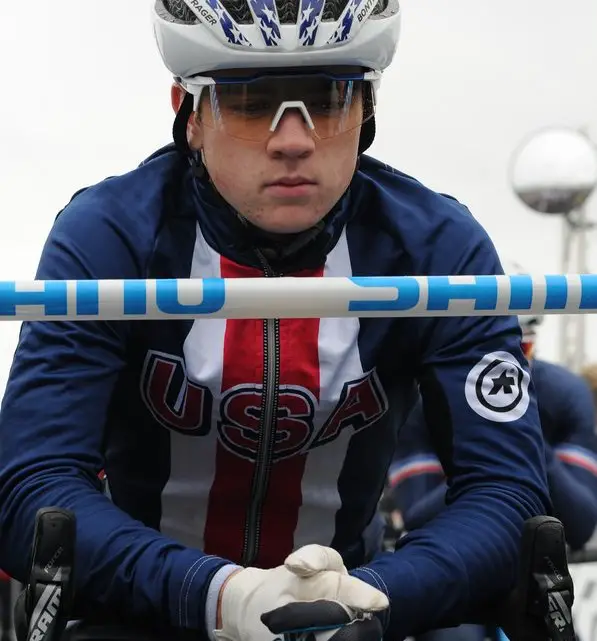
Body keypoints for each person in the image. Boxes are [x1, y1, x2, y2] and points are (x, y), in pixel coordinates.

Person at [0, 3, 550, 641]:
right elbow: (31, 489)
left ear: (368, 110)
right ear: (190, 113)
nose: (294, 139)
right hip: (145, 612)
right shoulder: (108, 235)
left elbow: (509, 495)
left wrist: (374, 597)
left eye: (328, 97)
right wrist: (216, 596)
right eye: (251, 101)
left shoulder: (439, 249)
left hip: (365, 606)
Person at [388, 261, 597, 641]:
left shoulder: (565, 394)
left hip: (534, 569)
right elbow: (416, 517)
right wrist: (504, 459)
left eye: (521, 345)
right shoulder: (424, 398)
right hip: (455, 560)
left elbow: (582, 523)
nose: (507, 360)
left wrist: (520, 437)